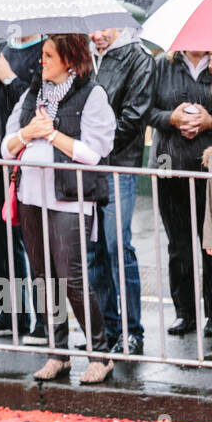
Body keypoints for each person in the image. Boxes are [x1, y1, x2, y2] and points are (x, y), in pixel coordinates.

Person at [2, 34, 115, 384]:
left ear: (69, 59)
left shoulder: (92, 94)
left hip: (69, 197)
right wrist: (28, 133)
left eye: (48, 55)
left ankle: (100, 354)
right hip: (30, 195)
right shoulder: (30, 95)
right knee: (43, 278)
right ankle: (58, 353)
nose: (41, 61)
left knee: (74, 279)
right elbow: (6, 147)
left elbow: (95, 153)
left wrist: (51, 135)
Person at [85, 27, 154, 356]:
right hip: (84, 166)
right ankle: (107, 329)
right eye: (93, 29)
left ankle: (132, 330)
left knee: (116, 246)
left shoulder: (139, 58)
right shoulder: (83, 56)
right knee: (92, 250)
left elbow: (135, 116)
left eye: (104, 29)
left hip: (117, 166)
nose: (97, 35)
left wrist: (95, 147)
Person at [0, 32, 43, 342]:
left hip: (27, 161)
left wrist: (9, 78)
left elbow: (40, 105)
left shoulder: (47, 50)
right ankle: (9, 314)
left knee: (35, 244)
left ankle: (44, 322)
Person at [148, 48, 212, 339]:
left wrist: (210, 122)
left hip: (210, 167)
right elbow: (145, 110)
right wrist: (171, 119)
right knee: (179, 244)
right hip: (169, 164)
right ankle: (184, 312)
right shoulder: (162, 65)